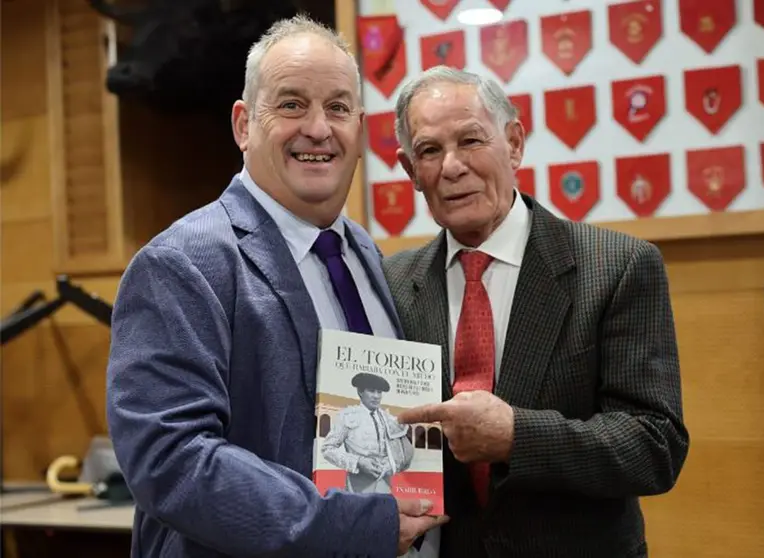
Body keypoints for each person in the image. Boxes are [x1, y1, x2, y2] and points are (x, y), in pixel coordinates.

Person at [105, 15, 445, 558]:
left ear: (358, 129)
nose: (318, 128)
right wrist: (357, 526)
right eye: (291, 105)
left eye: (338, 108)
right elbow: (171, 461)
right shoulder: (180, 263)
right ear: (243, 125)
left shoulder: (364, 253)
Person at [382, 66, 691, 557]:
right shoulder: (392, 283)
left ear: (515, 143)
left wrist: (515, 436)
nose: (453, 166)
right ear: (409, 171)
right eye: (429, 151)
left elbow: (655, 446)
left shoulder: (617, 267)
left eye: (471, 140)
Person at [322, 372, 415, 493]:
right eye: (371, 391)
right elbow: (328, 449)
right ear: (360, 392)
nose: (376, 396)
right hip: (358, 484)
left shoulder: (388, 419)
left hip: (385, 483)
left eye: (379, 392)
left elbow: (402, 454)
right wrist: (359, 462)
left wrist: (390, 465)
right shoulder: (347, 416)